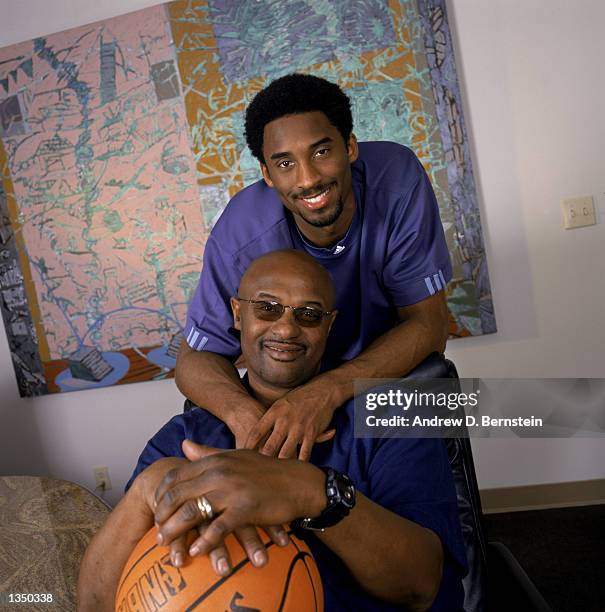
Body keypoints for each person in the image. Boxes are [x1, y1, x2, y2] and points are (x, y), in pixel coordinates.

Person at [78, 250, 466, 612]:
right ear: (236, 314)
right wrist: (147, 489)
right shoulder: (182, 439)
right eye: (267, 308)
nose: (286, 328)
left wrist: (310, 491)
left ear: (329, 326)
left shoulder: (389, 418)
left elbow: (422, 583)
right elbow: (96, 604)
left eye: (309, 314)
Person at [176, 73, 452, 460]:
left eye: (321, 152)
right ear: (267, 174)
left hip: (379, 388)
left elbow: (431, 324)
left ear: (350, 147)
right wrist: (249, 419)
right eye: (285, 163)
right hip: (282, 398)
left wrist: (325, 392)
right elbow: (192, 361)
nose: (307, 179)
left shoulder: (398, 179)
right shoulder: (239, 233)